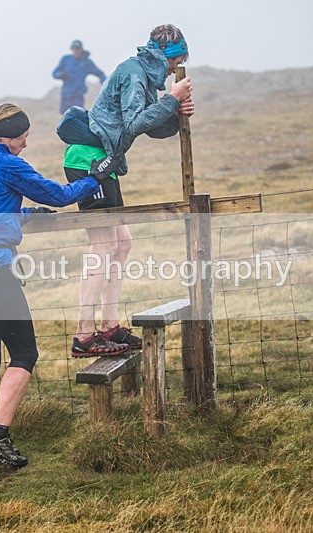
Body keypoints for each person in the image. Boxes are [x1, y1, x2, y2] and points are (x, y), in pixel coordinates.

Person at [0, 103, 117, 467]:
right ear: (11, 138)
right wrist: (96, 177)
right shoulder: (8, 163)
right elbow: (59, 195)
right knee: (25, 355)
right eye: (25, 138)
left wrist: (26, 215)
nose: (26, 144)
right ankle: (0, 435)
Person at [62, 23, 194, 357]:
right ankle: (84, 335)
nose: (174, 71)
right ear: (169, 56)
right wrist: (171, 100)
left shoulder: (145, 74)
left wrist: (176, 112)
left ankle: (109, 325)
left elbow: (148, 125)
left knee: (122, 242)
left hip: (104, 161)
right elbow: (136, 122)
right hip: (89, 162)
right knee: (104, 243)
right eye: (175, 64)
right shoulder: (135, 74)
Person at [52, 40, 107, 114]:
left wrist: (106, 85)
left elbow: (100, 73)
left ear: (81, 49)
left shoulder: (86, 63)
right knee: (64, 117)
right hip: (65, 96)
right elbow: (55, 73)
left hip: (78, 97)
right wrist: (61, 75)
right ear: (72, 49)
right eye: (75, 48)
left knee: (77, 116)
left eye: (78, 48)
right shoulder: (66, 59)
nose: (76, 50)